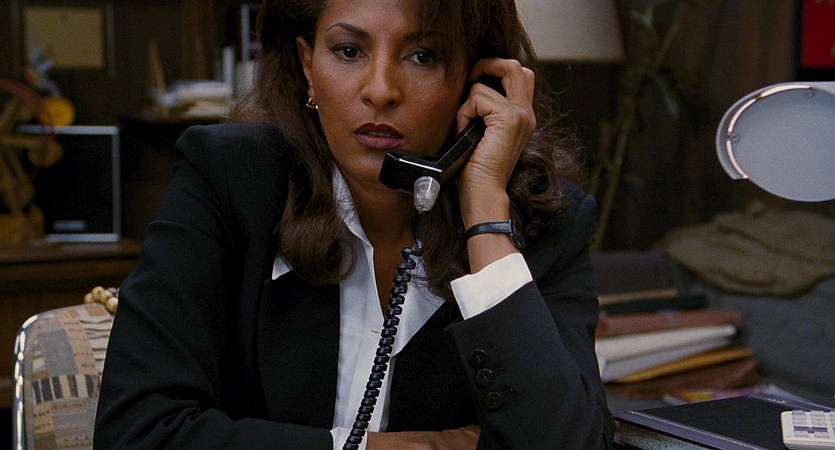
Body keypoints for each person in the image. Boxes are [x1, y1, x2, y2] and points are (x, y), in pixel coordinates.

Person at [94, 0, 614, 448]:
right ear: (307, 66)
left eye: (422, 56)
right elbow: (136, 432)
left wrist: (485, 217)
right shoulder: (230, 182)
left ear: (476, 81)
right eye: (349, 51)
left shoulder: (545, 222)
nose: (381, 90)